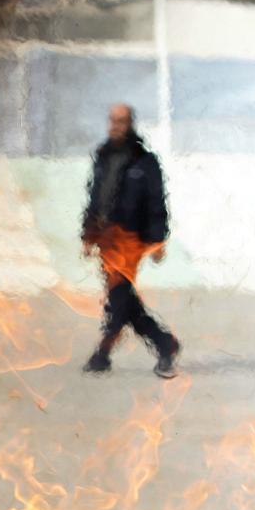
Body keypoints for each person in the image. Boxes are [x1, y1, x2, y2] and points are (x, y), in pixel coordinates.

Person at [81, 103, 180, 379]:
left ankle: (102, 354)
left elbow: (156, 202)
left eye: (121, 121)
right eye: (112, 120)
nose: (115, 126)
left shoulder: (145, 161)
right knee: (123, 299)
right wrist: (88, 235)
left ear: (130, 124)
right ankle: (165, 344)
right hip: (106, 239)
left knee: (119, 297)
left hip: (130, 239)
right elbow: (95, 198)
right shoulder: (103, 156)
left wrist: (158, 240)